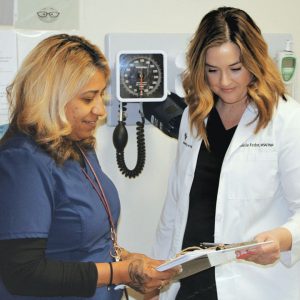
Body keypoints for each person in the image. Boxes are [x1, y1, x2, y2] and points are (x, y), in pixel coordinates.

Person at [0, 34, 179, 300]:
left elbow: (84, 242)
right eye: (88, 98)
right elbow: (23, 273)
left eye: (101, 96)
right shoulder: (23, 161)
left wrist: (132, 262)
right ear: (52, 98)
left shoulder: (77, 143)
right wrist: (120, 272)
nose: (100, 110)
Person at [145, 6, 300, 300]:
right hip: (188, 285)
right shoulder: (195, 116)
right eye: (212, 70)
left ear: (255, 62)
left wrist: (282, 239)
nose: (224, 82)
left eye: (235, 69)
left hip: (253, 286)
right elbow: (175, 207)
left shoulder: (288, 120)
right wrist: (157, 272)